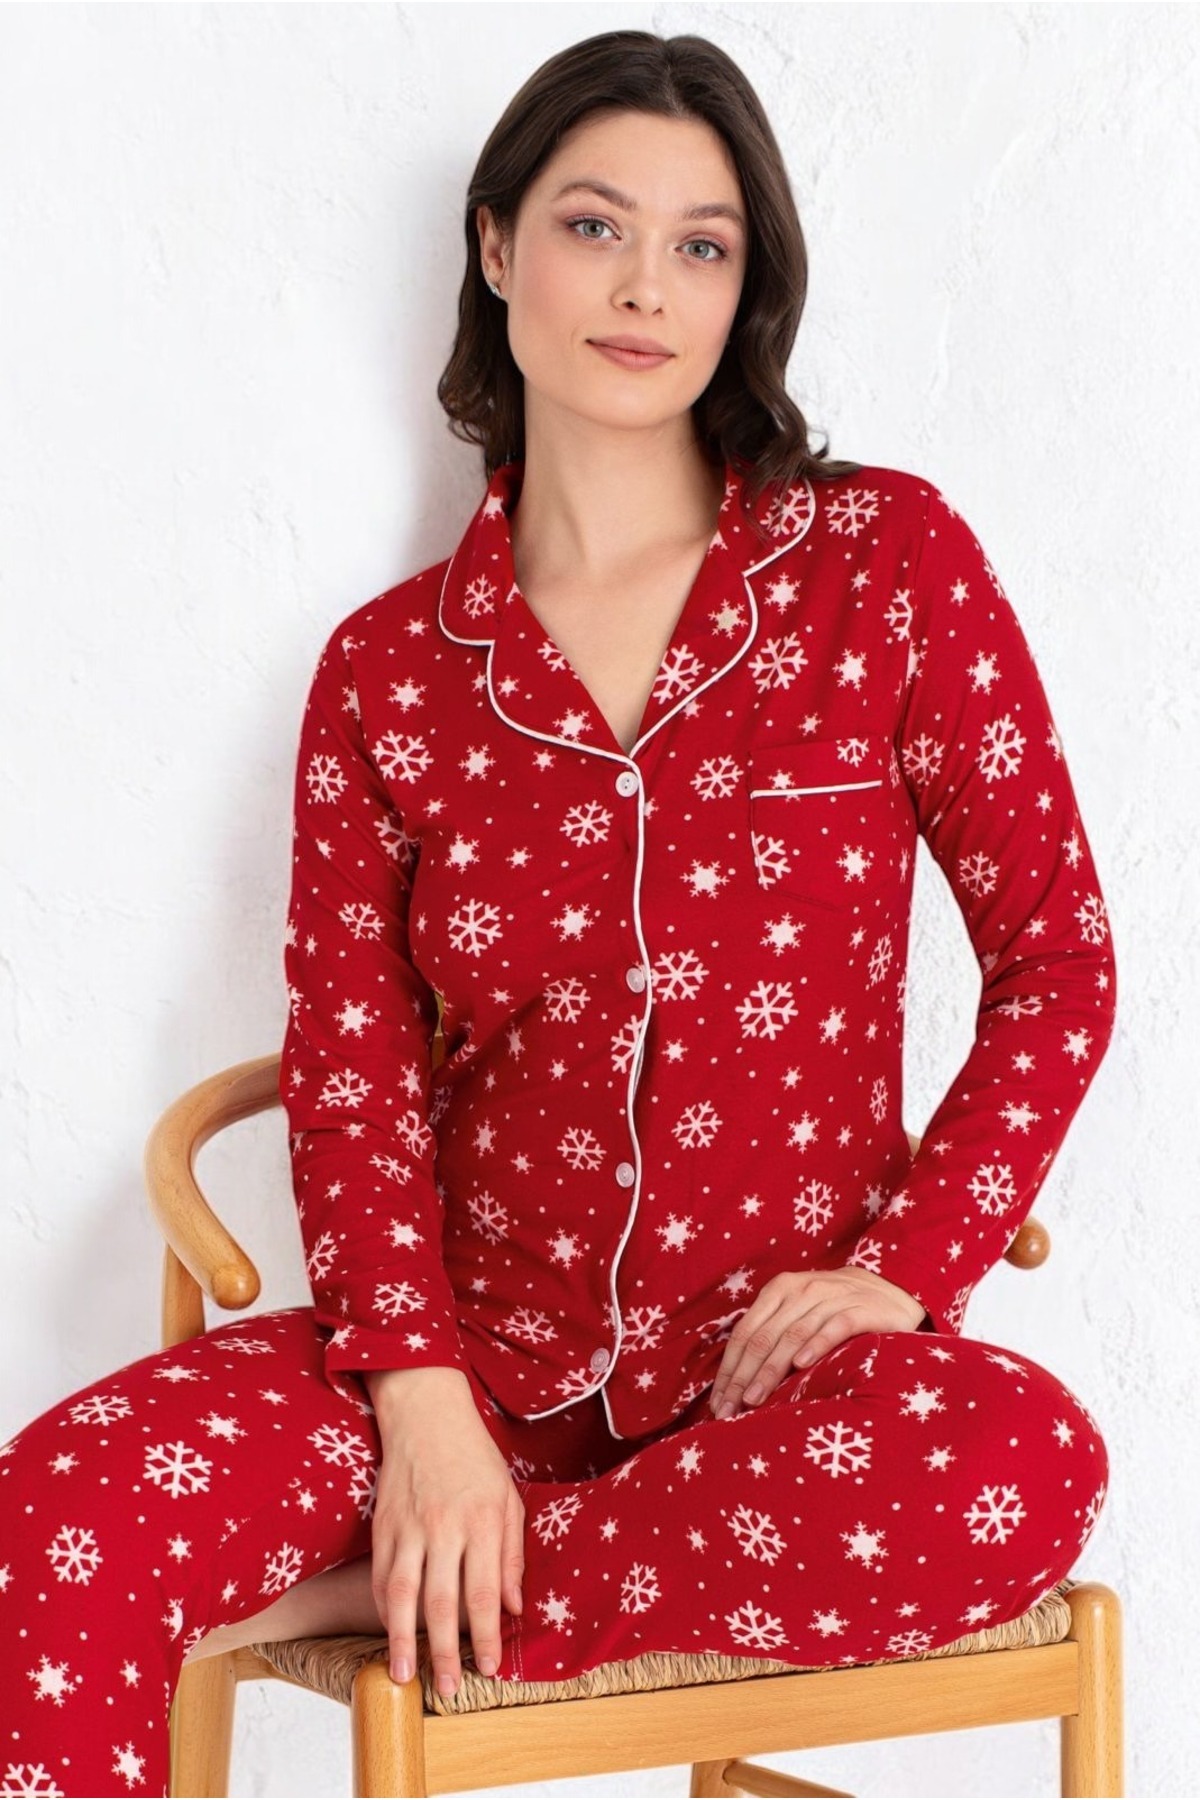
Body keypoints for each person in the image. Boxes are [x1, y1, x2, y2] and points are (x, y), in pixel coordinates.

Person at [0, 29, 1117, 1798]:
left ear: (747, 289)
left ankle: (404, 1594)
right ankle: (436, 1542)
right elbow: (354, 1076)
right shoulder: (387, 676)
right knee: (52, 1517)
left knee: (1016, 1461)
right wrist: (423, 1406)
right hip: (464, 1366)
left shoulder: (887, 569)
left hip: (780, 1399)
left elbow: (1057, 962)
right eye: (597, 226)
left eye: (702, 244)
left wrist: (906, 1272)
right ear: (498, 244)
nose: (645, 286)